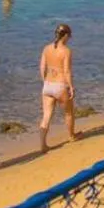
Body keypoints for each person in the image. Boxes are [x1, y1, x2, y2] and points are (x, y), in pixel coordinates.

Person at [38, 23, 76, 152]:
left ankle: (43, 144)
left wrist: (45, 80)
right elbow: (67, 71)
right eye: (69, 36)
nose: (69, 38)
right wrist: (70, 86)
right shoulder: (66, 51)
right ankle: (71, 136)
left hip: (48, 85)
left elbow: (42, 67)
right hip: (60, 85)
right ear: (65, 36)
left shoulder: (46, 48)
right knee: (68, 113)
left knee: (46, 116)